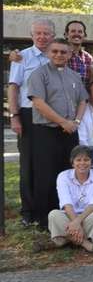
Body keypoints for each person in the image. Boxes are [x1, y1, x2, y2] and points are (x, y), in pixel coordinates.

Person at [29, 38, 89, 227]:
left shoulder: (74, 76)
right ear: (48, 52)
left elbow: (82, 100)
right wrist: (63, 122)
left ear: (69, 54)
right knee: (46, 175)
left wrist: (77, 121)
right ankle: (43, 218)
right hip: (47, 132)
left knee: (68, 173)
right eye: (55, 51)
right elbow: (38, 103)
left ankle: (65, 215)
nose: (59, 55)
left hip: (70, 132)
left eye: (63, 52)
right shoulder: (39, 74)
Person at [8, 19, 54, 226]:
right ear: (32, 35)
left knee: (47, 163)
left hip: (51, 116)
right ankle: (28, 212)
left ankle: (45, 211)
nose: (42, 37)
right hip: (27, 115)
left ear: (53, 35)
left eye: (46, 33)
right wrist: (14, 116)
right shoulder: (22, 57)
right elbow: (13, 88)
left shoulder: (57, 57)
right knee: (28, 165)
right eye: (39, 33)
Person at [34, 146, 93, 253]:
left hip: (90, 215)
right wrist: (76, 222)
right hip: (69, 215)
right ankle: (85, 243)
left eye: (86, 160)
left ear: (92, 163)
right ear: (72, 162)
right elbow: (66, 203)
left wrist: (77, 222)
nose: (82, 163)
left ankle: (63, 240)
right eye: (78, 160)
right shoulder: (63, 176)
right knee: (54, 214)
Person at [64, 20, 93, 85]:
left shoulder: (88, 58)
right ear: (66, 35)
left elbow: (91, 83)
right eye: (73, 31)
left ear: (84, 35)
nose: (76, 34)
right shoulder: (59, 55)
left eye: (80, 32)